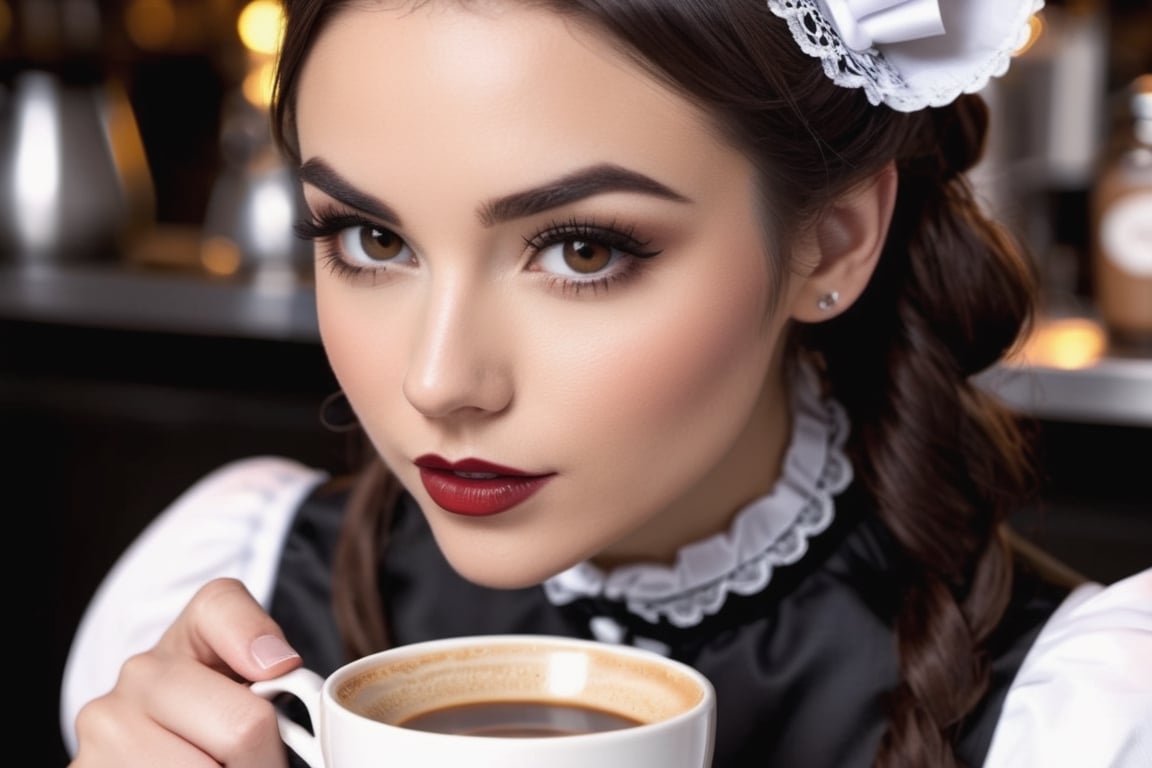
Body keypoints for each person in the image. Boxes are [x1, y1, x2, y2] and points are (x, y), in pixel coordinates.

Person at [61, 0, 1151, 766]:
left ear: (831, 244)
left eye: (581, 250)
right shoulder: (230, 616)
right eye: (371, 239)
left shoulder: (1074, 722)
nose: (440, 382)